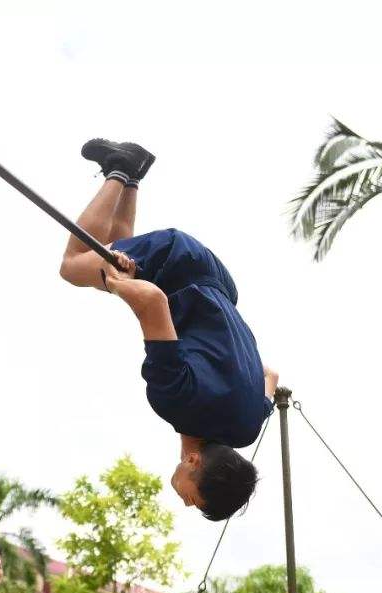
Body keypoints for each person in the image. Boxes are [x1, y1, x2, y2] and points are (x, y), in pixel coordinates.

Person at [58, 138, 280, 521]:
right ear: (193, 461)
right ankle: (118, 169)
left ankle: (130, 173)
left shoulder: (247, 429)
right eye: (193, 500)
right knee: (77, 264)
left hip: (217, 282)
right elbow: (153, 303)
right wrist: (114, 283)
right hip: (176, 266)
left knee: (115, 249)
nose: (185, 502)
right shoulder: (177, 402)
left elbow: (269, 374)